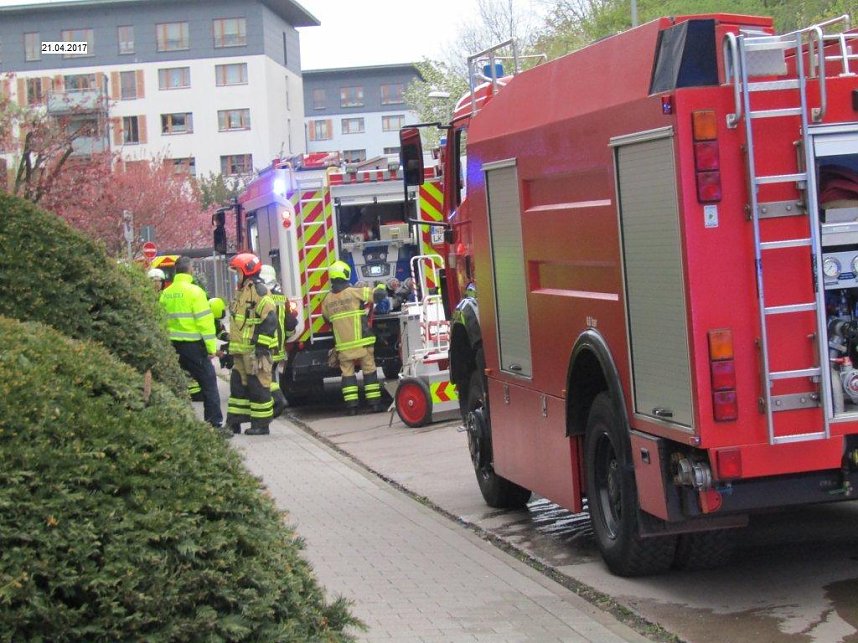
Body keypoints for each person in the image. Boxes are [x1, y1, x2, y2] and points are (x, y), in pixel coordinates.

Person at [159, 256, 223, 428]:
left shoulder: (166, 293)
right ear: (190, 270)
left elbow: (161, 320)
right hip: (193, 347)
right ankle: (214, 424)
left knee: (176, 383)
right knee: (209, 382)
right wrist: (211, 349)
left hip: (173, 346)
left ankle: (176, 423)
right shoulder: (196, 292)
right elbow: (205, 323)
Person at [321, 260, 386, 414]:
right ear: (345, 274)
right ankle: (375, 404)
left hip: (343, 347)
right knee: (369, 370)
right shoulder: (354, 292)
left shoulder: (327, 300)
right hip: (362, 343)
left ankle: (351, 408)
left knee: (347, 375)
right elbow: (379, 295)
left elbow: (326, 319)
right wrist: (381, 285)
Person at [224, 253, 279, 436]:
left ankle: (262, 425)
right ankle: (234, 423)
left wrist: (261, 347)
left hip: (255, 351)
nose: (236, 275)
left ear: (247, 271)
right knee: (237, 387)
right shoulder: (242, 292)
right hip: (240, 351)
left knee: (259, 388)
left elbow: (270, 318)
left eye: (238, 271)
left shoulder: (259, 291)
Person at [259, 264, 298, 417]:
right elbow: (290, 323)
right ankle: (276, 403)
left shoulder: (259, 298)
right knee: (272, 375)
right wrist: (287, 336)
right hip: (278, 347)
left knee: (265, 378)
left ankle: (276, 404)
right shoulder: (282, 299)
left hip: (263, 346)